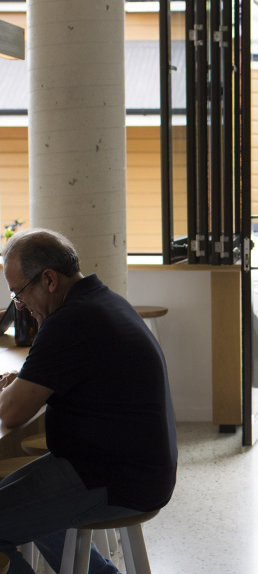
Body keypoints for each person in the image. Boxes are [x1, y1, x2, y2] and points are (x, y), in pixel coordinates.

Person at [0, 229, 177, 574]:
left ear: (49, 280)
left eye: (19, 293)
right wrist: (22, 384)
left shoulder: (69, 321)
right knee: (21, 508)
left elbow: (12, 413)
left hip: (115, 477)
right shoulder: (101, 300)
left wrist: (12, 392)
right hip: (135, 468)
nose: (19, 306)